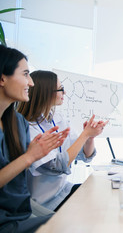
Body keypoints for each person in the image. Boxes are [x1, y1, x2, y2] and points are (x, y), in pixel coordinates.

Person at [0, 45, 69, 232]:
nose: (31, 83)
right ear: (2, 78)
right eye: (25, 74)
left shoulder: (17, 122)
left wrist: (38, 152)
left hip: (21, 213)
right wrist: (30, 156)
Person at [17, 70, 108, 211]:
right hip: (42, 203)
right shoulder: (27, 127)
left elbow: (83, 156)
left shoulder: (57, 118)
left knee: (102, 193)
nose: (64, 93)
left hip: (62, 191)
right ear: (46, 93)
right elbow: (56, 166)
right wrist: (84, 135)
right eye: (61, 89)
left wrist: (89, 137)